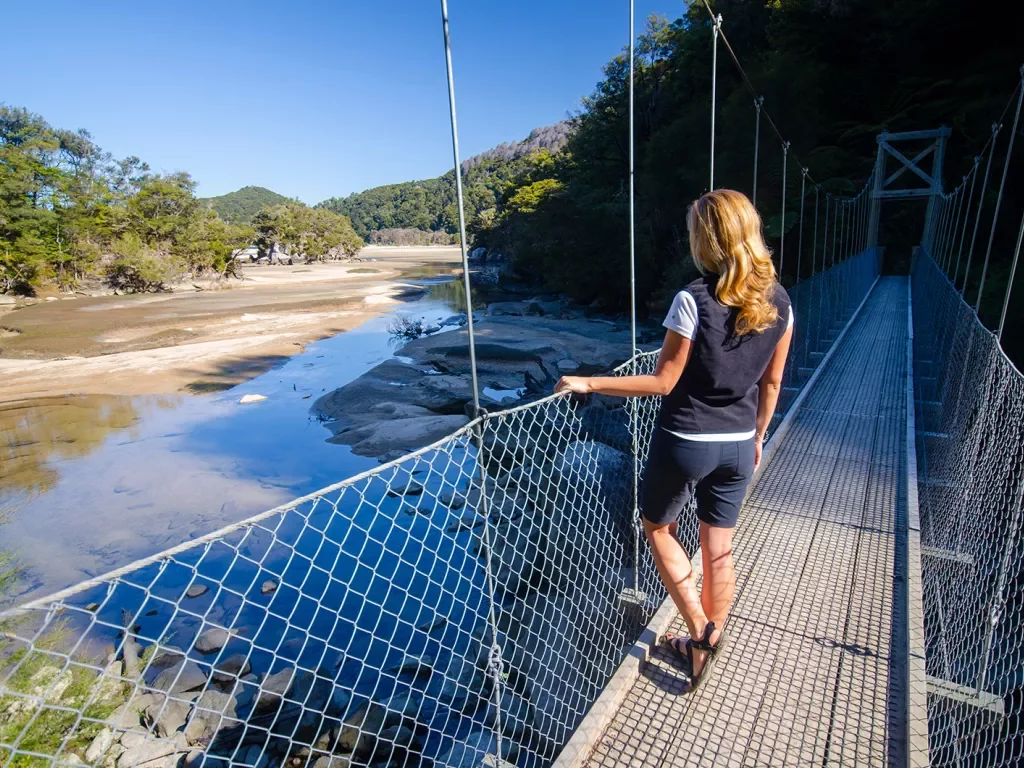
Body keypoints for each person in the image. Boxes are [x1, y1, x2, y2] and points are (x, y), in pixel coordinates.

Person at [555, 188, 793, 692]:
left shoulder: (694, 300)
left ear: (706, 240)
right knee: (719, 547)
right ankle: (705, 646)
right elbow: (771, 383)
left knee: (658, 528)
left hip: (686, 438)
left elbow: (663, 381)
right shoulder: (781, 302)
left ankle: (700, 634)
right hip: (739, 442)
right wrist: (758, 436)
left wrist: (591, 382)